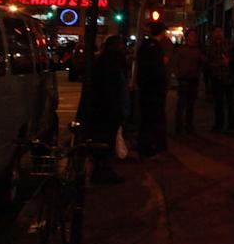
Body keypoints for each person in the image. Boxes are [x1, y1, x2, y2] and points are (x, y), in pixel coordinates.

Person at [84, 35, 129, 184]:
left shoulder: (102, 60)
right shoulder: (112, 62)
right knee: (106, 141)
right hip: (109, 108)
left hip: (103, 108)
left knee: (104, 140)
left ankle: (101, 169)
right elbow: (114, 88)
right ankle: (102, 171)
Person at [136, 21, 169, 159]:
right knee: (154, 120)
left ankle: (144, 147)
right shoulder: (155, 47)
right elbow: (157, 71)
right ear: (161, 32)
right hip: (154, 90)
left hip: (145, 88)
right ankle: (150, 149)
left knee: (146, 120)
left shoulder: (144, 46)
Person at [171, 28, 204, 135]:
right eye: (192, 35)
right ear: (187, 37)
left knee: (190, 104)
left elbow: (202, 62)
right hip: (184, 79)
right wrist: (178, 75)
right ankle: (179, 126)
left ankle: (188, 125)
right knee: (182, 104)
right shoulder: (181, 49)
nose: (194, 37)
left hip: (193, 79)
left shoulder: (198, 50)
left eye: (195, 35)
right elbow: (174, 64)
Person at [207, 27, 234, 133]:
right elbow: (208, 61)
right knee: (218, 103)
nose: (218, 33)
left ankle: (232, 125)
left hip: (228, 77)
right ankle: (219, 124)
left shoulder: (229, 44)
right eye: (216, 32)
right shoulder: (211, 46)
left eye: (220, 31)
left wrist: (229, 62)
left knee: (230, 103)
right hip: (217, 78)